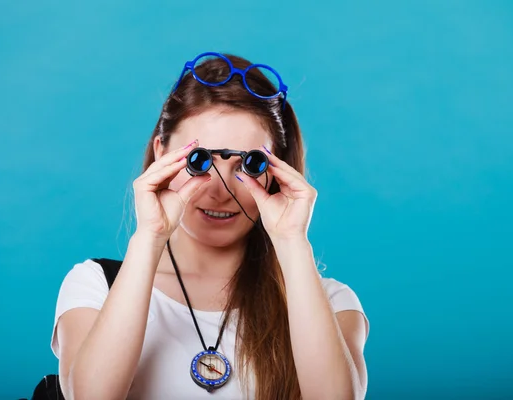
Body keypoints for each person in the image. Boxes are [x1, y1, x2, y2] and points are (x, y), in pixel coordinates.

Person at [50, 52, 369, 400]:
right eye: (198, 161)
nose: (221, 191)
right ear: (161, 153)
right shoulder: (97, 286)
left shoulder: (329, 302)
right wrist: (149, 237)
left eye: (249, 164)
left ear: (277, 168)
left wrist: (292, 242)